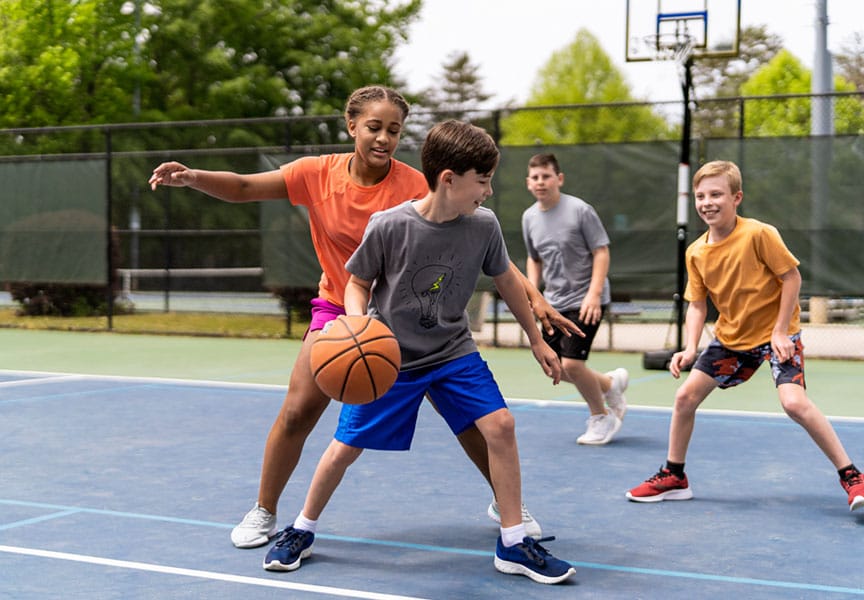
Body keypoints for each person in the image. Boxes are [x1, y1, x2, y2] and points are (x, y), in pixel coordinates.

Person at [148, 86, 573, 548]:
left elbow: (489, 252)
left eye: (394, 130)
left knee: (473, 418)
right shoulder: (317, 174)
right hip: (341, 306)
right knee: (299, 409)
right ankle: (264, 509)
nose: (384, 138)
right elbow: (247, 187)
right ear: (352, 126)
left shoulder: (417, 183)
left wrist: (536, 300)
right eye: (374, 127)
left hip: (408, 314)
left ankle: (507, 504)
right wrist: (193, 178)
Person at [262, 120, 576, 585]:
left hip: (453, 352)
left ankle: (513, 543)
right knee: (345, 448)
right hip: (393, 358)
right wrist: (356, 322)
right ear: (449, 179)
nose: (488, 192)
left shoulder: (482, 227)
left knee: (501, 426)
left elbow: (508, 279)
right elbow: (358, 283)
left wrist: (535, 338)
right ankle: (301, 528)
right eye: (483, 180)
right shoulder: (390, 226)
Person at [625, 160, 864, 512]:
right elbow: (697, 305)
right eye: (700, 196)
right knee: (685, 397)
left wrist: (780, 331)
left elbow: (792, 278)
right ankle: (674, 476)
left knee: (794, 403)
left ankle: (853, 477)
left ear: (736, 197)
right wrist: (688, 348)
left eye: (716, 194)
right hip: (731, 340)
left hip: (778, 336)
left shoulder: (759, 234)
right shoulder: (696, 252)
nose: (707, 202)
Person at [522, 153, 629, 445]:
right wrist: (534, 294)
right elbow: (534, 259)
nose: (540, 182)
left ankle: (601, 417)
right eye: (535, 177)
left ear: (559, 179)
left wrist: (593, 295)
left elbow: (601, 251)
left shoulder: (580, 210)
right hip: (554, 303)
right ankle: (609, 384)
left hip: (585, 299)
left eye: (546, 176)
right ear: (528, 183)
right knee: (554, 366)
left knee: (571, 365)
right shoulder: (529, 217)